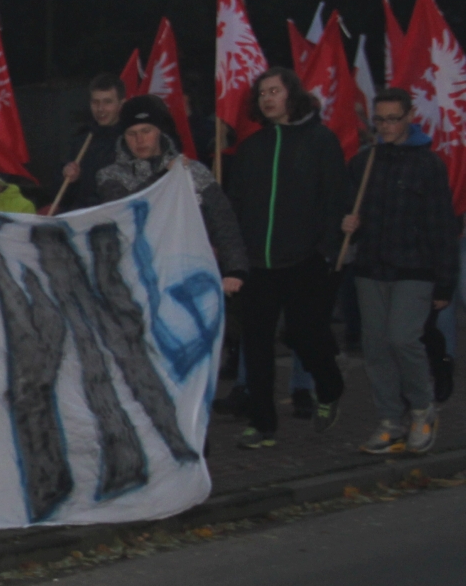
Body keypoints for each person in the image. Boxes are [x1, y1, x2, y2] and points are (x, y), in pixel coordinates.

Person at [228, 67, 351, 449]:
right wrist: (234, 254)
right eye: (262, 93)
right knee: (256, 346)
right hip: (257, 264)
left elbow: (335, 199)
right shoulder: (251, 148)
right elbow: (234, 204)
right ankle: (262, 423)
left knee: (305, 336)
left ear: (291, 95)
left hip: (305, 261)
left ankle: (329, 388)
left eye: (275, 91)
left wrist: (326, 251)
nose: (267, 98)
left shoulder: (320, 141)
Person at [340, 88, 457, 454]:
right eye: (380, 119)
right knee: (375, 347)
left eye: (393, 119)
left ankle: (423, 409)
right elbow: (348, 210)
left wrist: (445, 282)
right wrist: (347, 224)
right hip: (371, 266)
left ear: (409, 117)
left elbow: (442, 225)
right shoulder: (364, 162)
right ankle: (390, 420)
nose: (386, 126)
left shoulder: (428, 164)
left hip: (415, 267)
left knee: (402, 339)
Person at [96, 94, 248, 289]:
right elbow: (127, 216)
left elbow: (223, 222)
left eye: (146, 131)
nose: (139, 140)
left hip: (193, 275)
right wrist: (164, 177)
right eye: (131, 134)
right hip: (138, 281)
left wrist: (235, 270)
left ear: (159, 131)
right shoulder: (110, 176)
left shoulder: (193, 171)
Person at [50, 73, 126, 214]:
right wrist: (69, 179)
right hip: (82, 218)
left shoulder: (131, 141)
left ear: (121, 104)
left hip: (116, 217)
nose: (100, 109)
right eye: (95, 102)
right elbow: (61, 198)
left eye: (107, 102)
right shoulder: (80, 140)